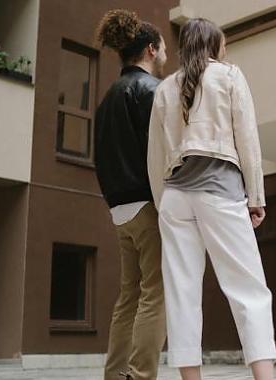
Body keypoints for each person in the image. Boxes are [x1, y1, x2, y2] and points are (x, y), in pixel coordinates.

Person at [147, 18, 276, 380]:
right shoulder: (230, 75)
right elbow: (247, 139)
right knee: (248, 288)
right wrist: (256, 195)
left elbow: (154, 157)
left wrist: (163, 206)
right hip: (220, 190)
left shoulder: (164, 89)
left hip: (174, 196)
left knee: (181, 293)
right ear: (214, 45)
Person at [94, 9, 168, 380]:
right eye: (165, 48)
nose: (167, 55)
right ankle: (141, 376)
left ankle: (114, 374)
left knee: (129, 297)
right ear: (152, 49)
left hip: (119, 210)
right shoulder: (152, 91)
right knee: (156, 294)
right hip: (148, 206)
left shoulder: (107, 98)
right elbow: (164, 152)